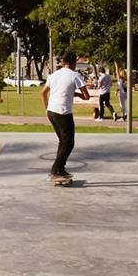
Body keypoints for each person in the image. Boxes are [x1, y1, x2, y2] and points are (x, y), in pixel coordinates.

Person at [41, 51, 90, 182]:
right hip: (63, 113)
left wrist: (46, 109)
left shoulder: (53, 75)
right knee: (69, 143)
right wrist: (77, 94)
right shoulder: (75, 75)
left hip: (51, 111)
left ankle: (60, 169)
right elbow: (86, 96)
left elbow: (43, 92)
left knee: (63, 142)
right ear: (74, 63)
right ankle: (55, 170)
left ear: (63, 62)